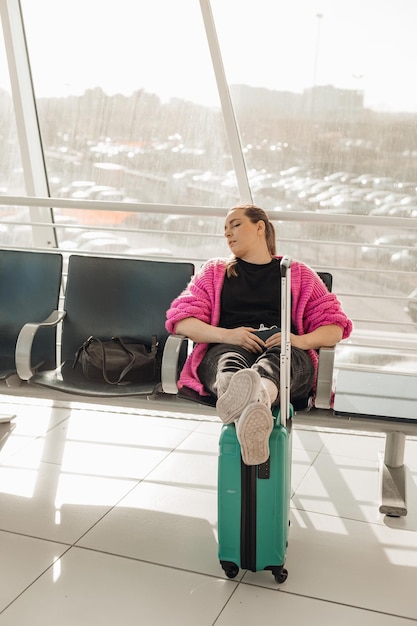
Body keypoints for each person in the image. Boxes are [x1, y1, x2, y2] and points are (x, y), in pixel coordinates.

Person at [166, 203, 353, 466]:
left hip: (285, 352)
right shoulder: (215, 272)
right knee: (228, 362)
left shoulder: (298, 273)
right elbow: (181, 320)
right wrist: (229, 336)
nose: (228, 234)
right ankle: (254, 410)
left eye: (236, 225)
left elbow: (334, 327)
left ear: (259, 227)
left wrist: (299, 340)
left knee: (279, 358)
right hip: (227, 346)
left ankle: (256, 400)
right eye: (225, 230)